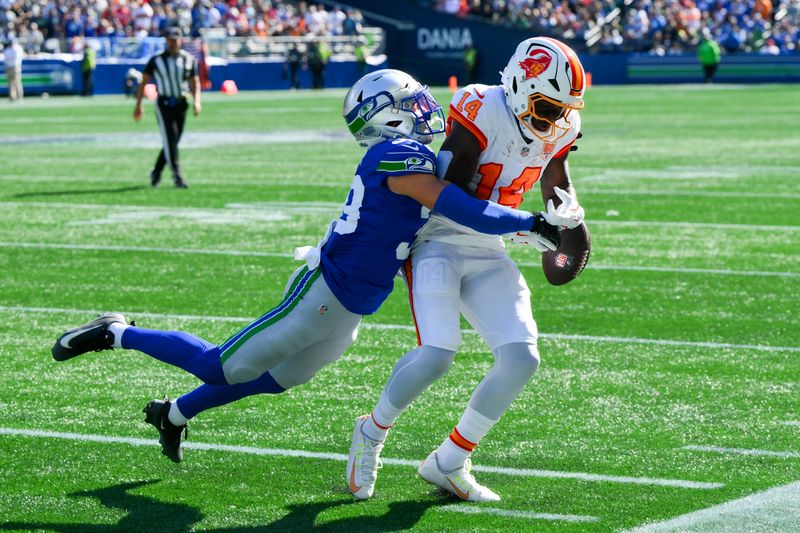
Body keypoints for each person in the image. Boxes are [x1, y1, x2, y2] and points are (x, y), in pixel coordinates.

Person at [52, 69, 561, 465]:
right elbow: (457, 205)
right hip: (324, 292)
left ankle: (175, 413)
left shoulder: (408, 155)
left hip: (352, 306)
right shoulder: (398, 155)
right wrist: (530, 221)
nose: (425, 109)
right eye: (412, 104)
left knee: (278, 378)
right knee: (220, 366)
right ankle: (117, 332)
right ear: (388, 117)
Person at [347, 37, 587, 502]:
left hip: (489, 246)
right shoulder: (482, 106)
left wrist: (567, 217)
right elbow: (453, 197)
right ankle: (371, 431)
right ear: (518, 86)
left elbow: (557, 182)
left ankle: (450, 460)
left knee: (522, 358)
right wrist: (522, 224)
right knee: (437, 353)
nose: (555, 120)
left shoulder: (560, 124)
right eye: (546, 107)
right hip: (438, 239)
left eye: (562, 110)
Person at [133, 27, 201, 189]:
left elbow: (194, 81)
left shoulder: (188, 59)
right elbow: (144, 82)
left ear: (180, 40)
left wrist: (197, 101)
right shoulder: (156, 60)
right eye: (169, 40)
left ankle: (156, 171)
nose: (172, 43)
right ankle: (177, 177)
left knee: (174, 141)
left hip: (181, 103)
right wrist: (139, 104)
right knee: (170, 139)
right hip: (164, 104)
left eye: (174, 40)